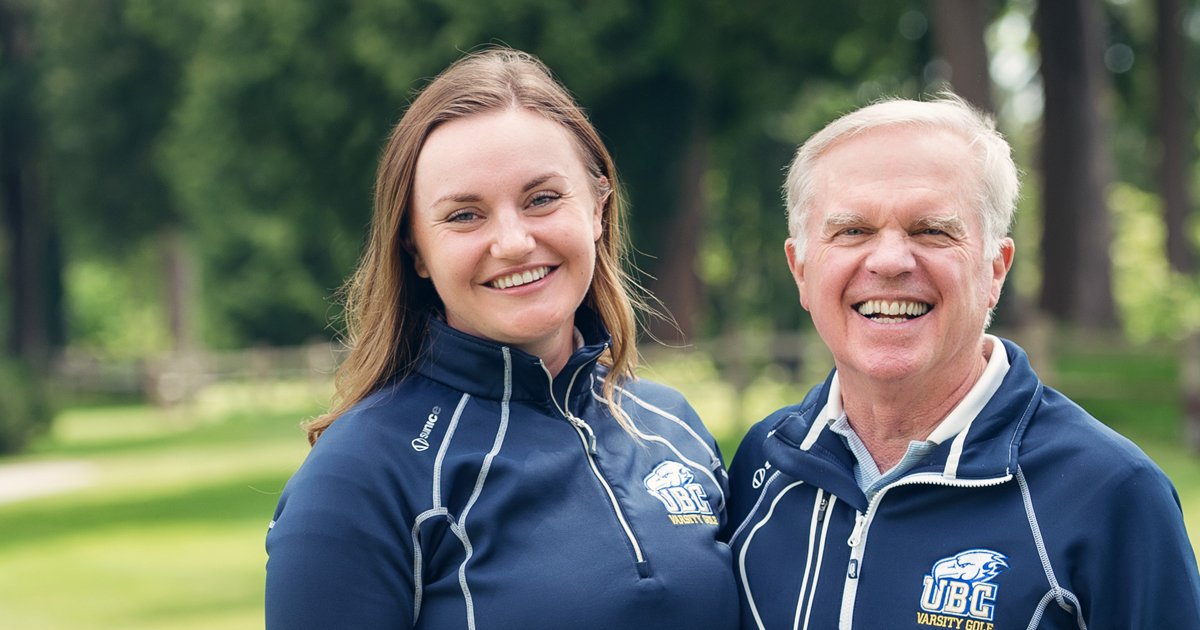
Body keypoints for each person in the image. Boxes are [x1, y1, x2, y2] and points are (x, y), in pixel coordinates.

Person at [265, 47, 738, 629]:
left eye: (542, 199)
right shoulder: (359, 477)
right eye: (465, 215)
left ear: (597, 207)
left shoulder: (674, 428)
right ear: (415, 249)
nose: (512, 242)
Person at [724, 95, 1200, 629]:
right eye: (852, 230)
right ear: (801, 270)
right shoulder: (764, 465)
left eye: (932, 230)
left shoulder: (1112, 494)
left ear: (995, 269)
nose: (889, 261)